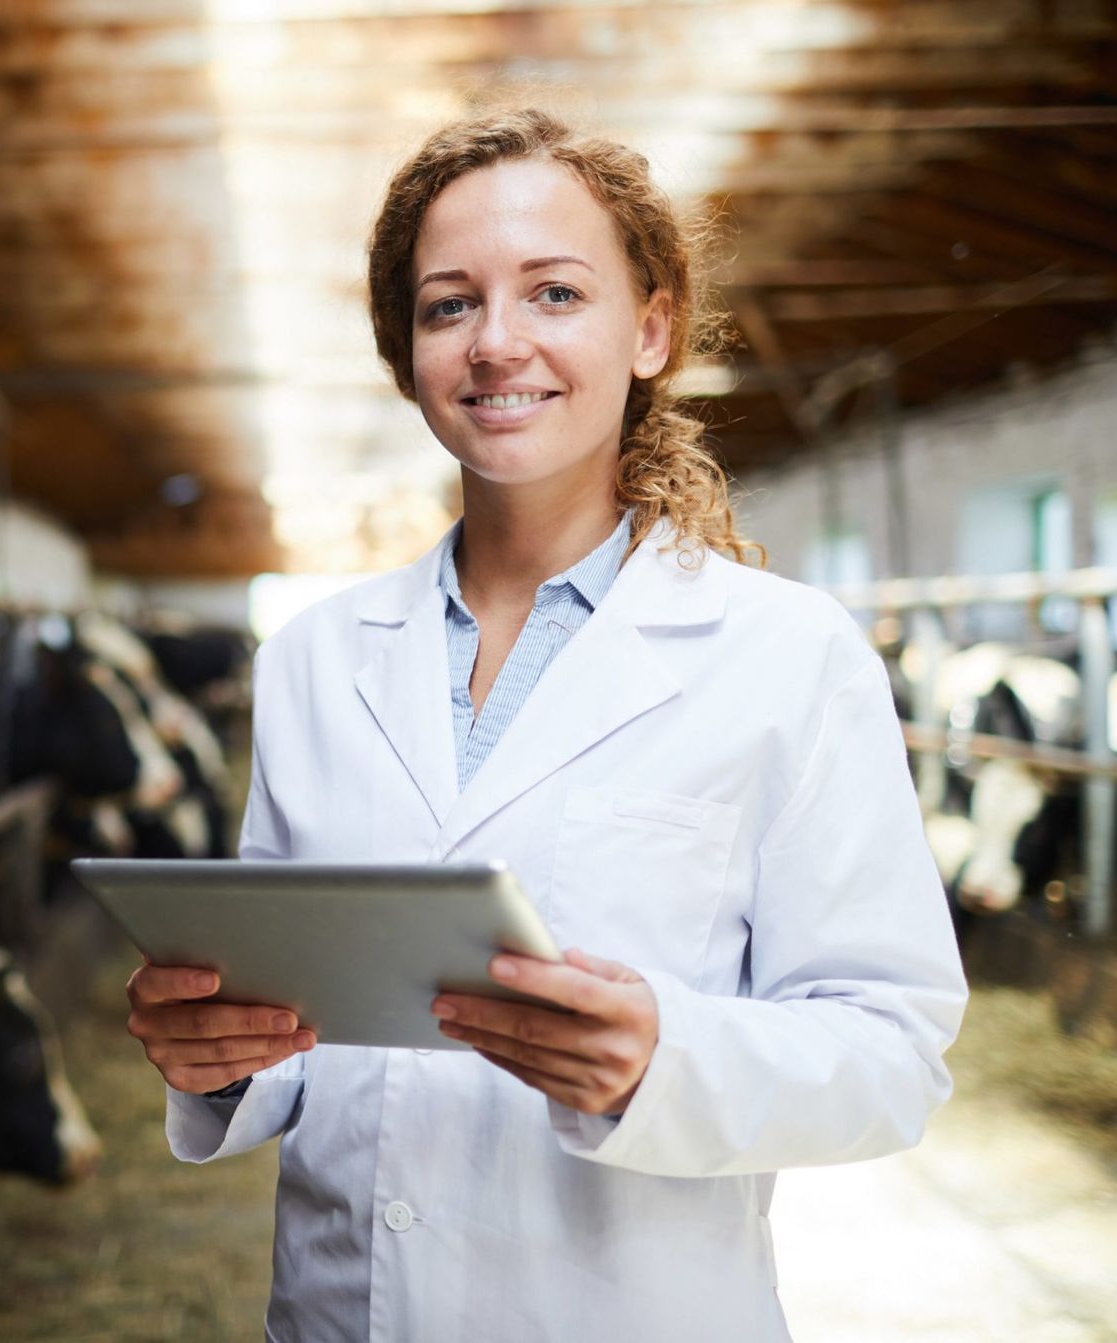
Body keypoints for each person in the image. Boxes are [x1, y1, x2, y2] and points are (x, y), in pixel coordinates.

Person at [124, 106, 968, 1342]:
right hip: (338, 1310)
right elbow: (300, 1004)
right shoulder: (315, 657)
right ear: (405, 351)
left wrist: (664, 1058)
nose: (496, 342)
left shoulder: (789, 657)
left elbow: (893, 1053)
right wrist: (223, 1044)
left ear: (654, 327)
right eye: (449, 304)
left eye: (556, 292)